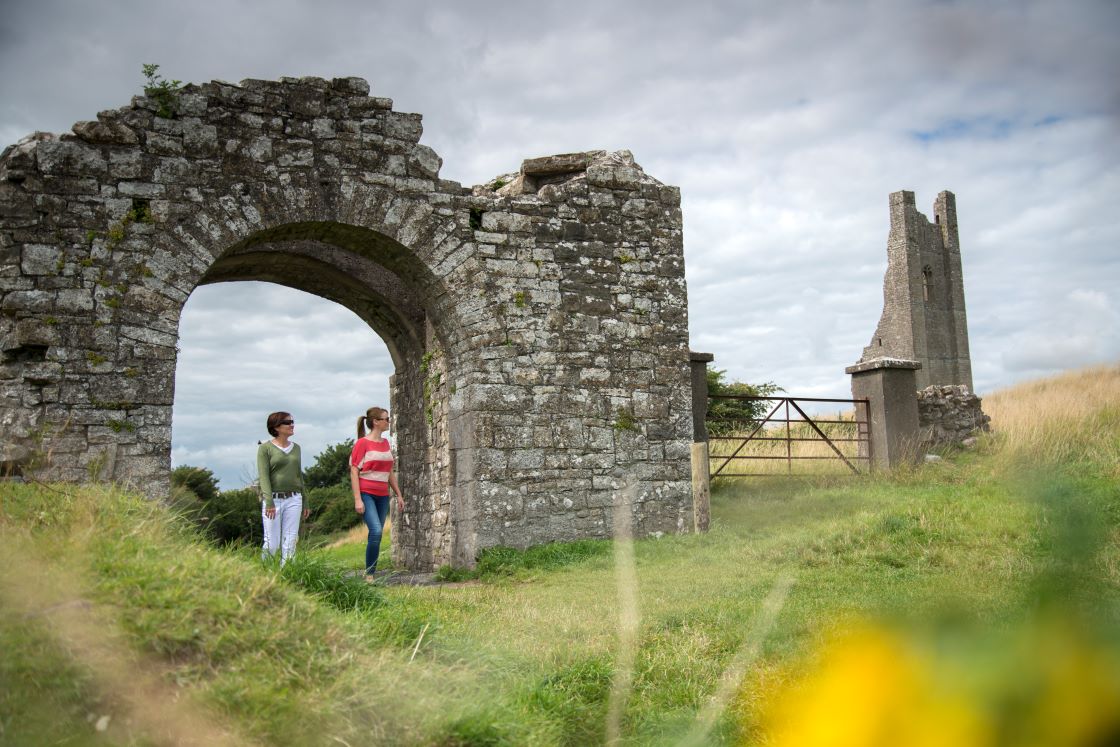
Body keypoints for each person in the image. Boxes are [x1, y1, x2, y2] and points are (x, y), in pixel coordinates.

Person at [350, 406, 404, 577]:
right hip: (366, 493)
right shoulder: (362, 443)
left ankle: (370, 572)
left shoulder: (386, 443)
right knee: (376, 531)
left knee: (377, 534)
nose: (389, 422)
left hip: (382, 495)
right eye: (386, 419)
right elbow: (354, 471)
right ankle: (370, 575)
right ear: (376, 422)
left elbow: (389, 472)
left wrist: (399, 494)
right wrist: (358, 499)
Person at [257, 411, 309, 564]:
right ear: (276, 427)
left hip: (294, 499)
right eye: (287, 422)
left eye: (292, 421)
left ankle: (287, 577)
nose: (292, 425)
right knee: (271, 544)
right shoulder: (265, 448)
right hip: (273, 500)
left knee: (290, 542)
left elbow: (298, 475)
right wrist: (269, 502)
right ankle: (264, 576)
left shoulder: (297, 448)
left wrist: (305, 501)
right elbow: (264, 476)